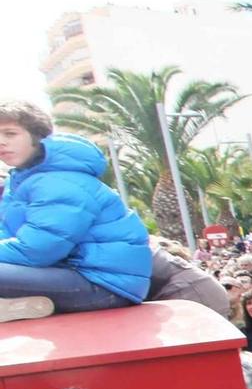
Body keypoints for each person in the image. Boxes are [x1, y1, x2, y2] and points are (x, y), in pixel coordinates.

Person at [0, 102, 151, 319]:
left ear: (37, 136)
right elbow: (8, 233)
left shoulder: (60, 181)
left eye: (10, 133)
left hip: (103, 285)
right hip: (72, 274)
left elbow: (39, 249)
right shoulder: (23, 180)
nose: (1, 142)